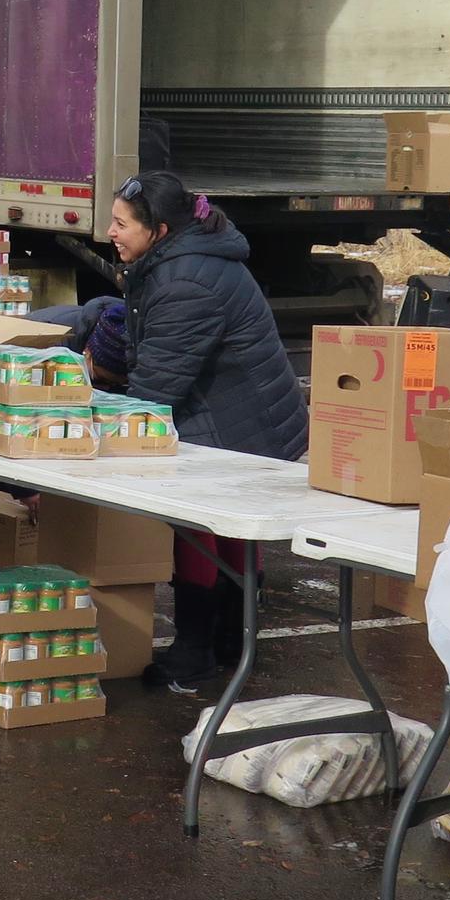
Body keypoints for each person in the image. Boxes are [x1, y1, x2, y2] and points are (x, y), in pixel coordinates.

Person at [107, 173, 308, 692]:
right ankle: (230, 642)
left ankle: (196, 652)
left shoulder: (186, 281)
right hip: (245, 416)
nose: (110, 232)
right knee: (231, 526)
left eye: (121, 224)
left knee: (200, 523)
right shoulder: (180, 261)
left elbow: (156, 386)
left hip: (237, 423)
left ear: (160, 229)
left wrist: (91, 433)